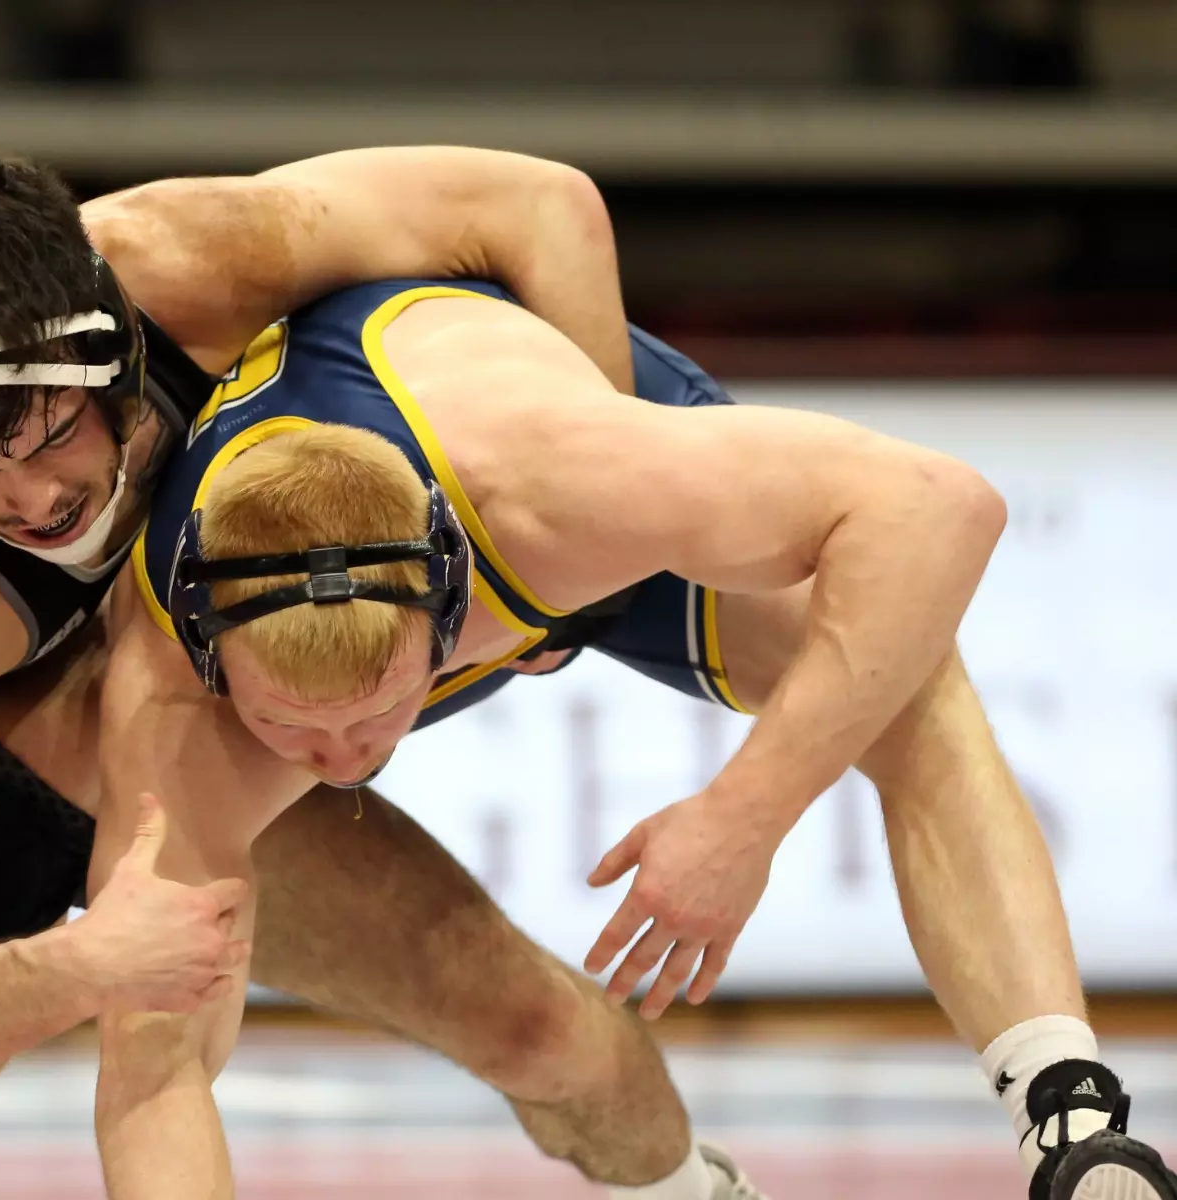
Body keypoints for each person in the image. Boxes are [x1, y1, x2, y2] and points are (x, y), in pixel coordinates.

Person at [0, 145, 715, 1200]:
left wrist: (603, 560)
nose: (29, 500)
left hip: (159, 730)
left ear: (116, 357)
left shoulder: (183, 258)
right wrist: (88, 964)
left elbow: (539, 205)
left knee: (544, 1033)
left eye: (52, 435)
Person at [103, 276, 1177, 1200]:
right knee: (535, 1035)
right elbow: (154, 1068)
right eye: (292, 726)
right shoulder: (169, 695)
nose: (342, 760)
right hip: (413, 576)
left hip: (551, 489)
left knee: (908, 685)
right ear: (212, 663)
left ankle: (1069, 1113)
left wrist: (742, 817)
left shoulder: (559, 483)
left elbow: (941, 508)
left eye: (383, 712)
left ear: (456, 626)